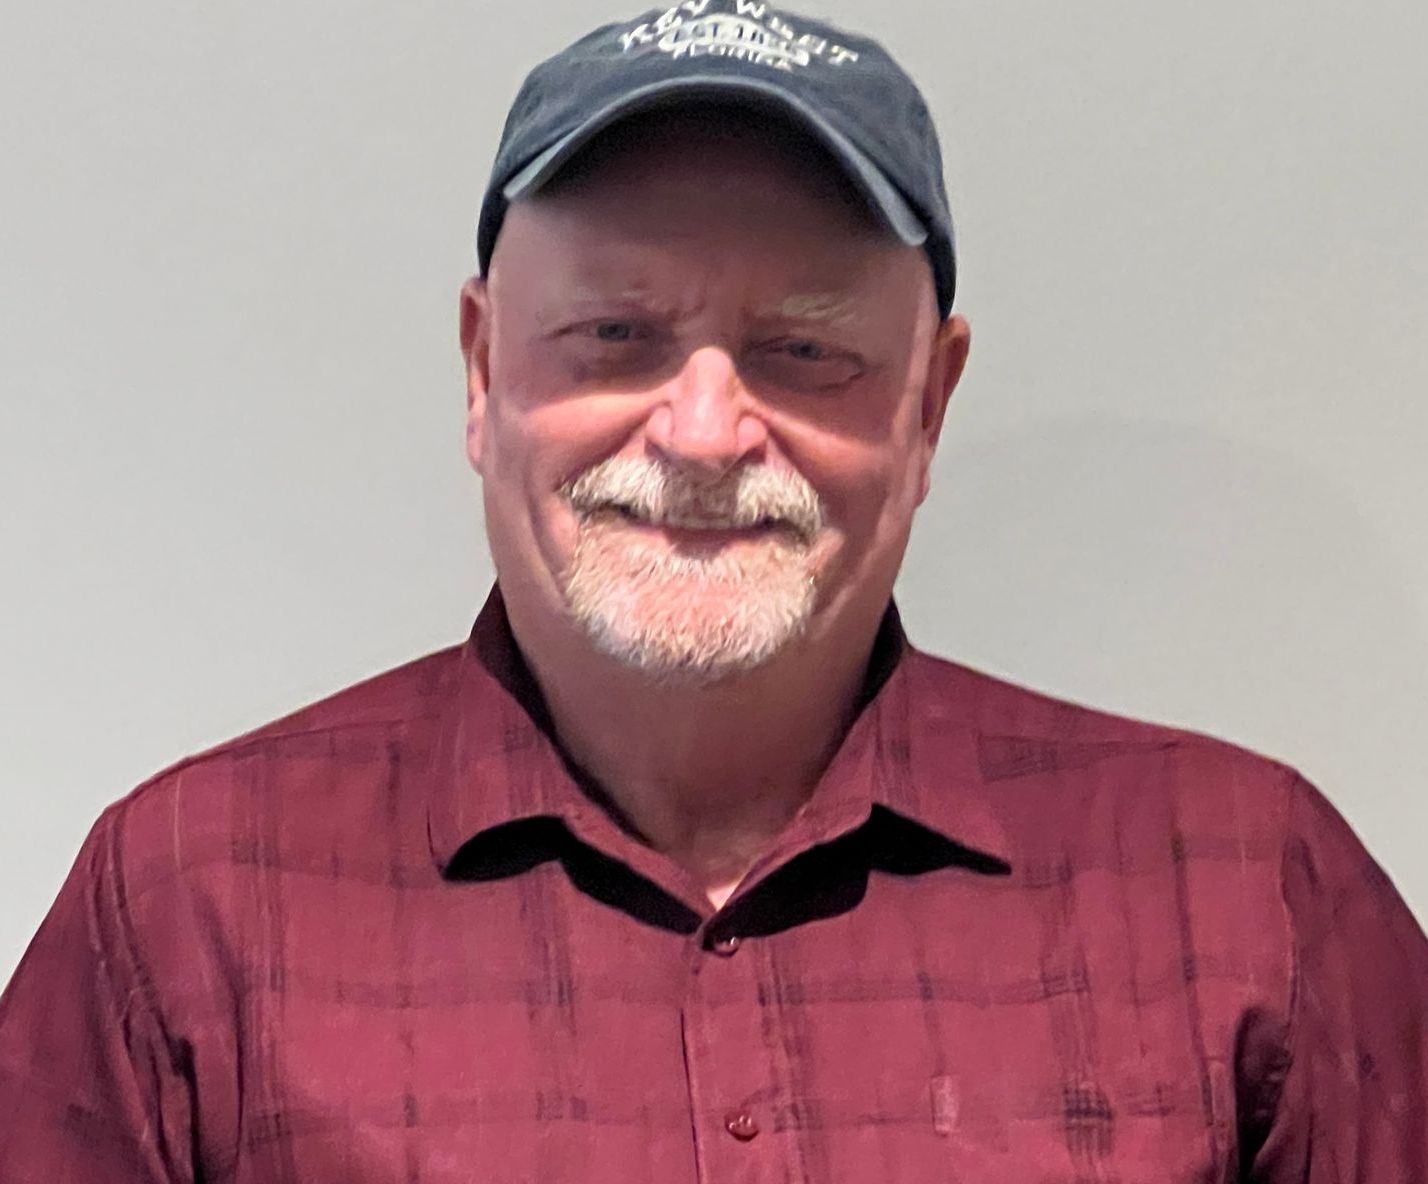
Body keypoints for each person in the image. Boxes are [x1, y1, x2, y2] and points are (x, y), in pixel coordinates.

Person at [2, 1, 1425, 1180]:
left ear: (930, 407)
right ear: (484, 373)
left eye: (804, 351)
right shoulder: (191, 906)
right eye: (615, 334)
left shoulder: (1245, 898)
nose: (701, 431)